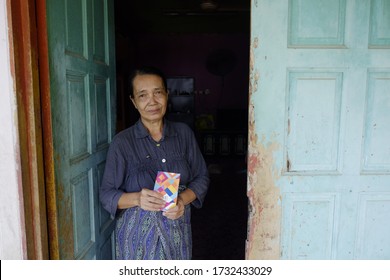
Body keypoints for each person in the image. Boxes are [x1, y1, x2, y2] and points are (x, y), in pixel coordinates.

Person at [99, 66, 210, 260]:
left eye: (158, 92)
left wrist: (182, 200)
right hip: (137, 239)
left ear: (167, 95)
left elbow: (202, 177)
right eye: (143, 95)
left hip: (177, 230)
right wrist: (137, 199)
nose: (152, 101)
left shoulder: (183, 134)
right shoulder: (123, 142)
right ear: (133, 101)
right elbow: (106, 194)